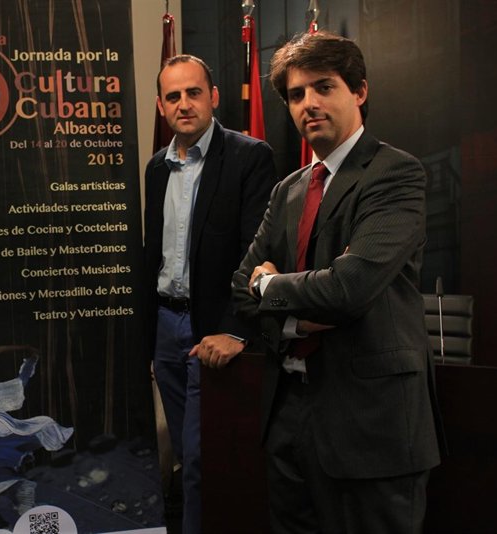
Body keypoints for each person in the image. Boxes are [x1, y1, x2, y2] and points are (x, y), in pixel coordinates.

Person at [232, 32, 443, 532]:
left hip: (370, 423)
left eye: (323, 87)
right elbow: (241, 286)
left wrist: (271, 287)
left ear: (359, 91)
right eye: (296, 94)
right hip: (289, 415)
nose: (309, 103)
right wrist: (294, 323)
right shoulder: (288, 189)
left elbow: (349, 288)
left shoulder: (395, 174)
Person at [144, 54, 277, 533]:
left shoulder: (249, 156)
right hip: (165, 327)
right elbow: (153, 255)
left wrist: (236, 331)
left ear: (214, 96)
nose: (184, 104)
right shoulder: (156, 168)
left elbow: (257, 252)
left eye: (193, 92)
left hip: (214, 329)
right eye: (173, 96)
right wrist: (147, 340)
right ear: (161, 106)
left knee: (205, 459)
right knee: (185, 457)